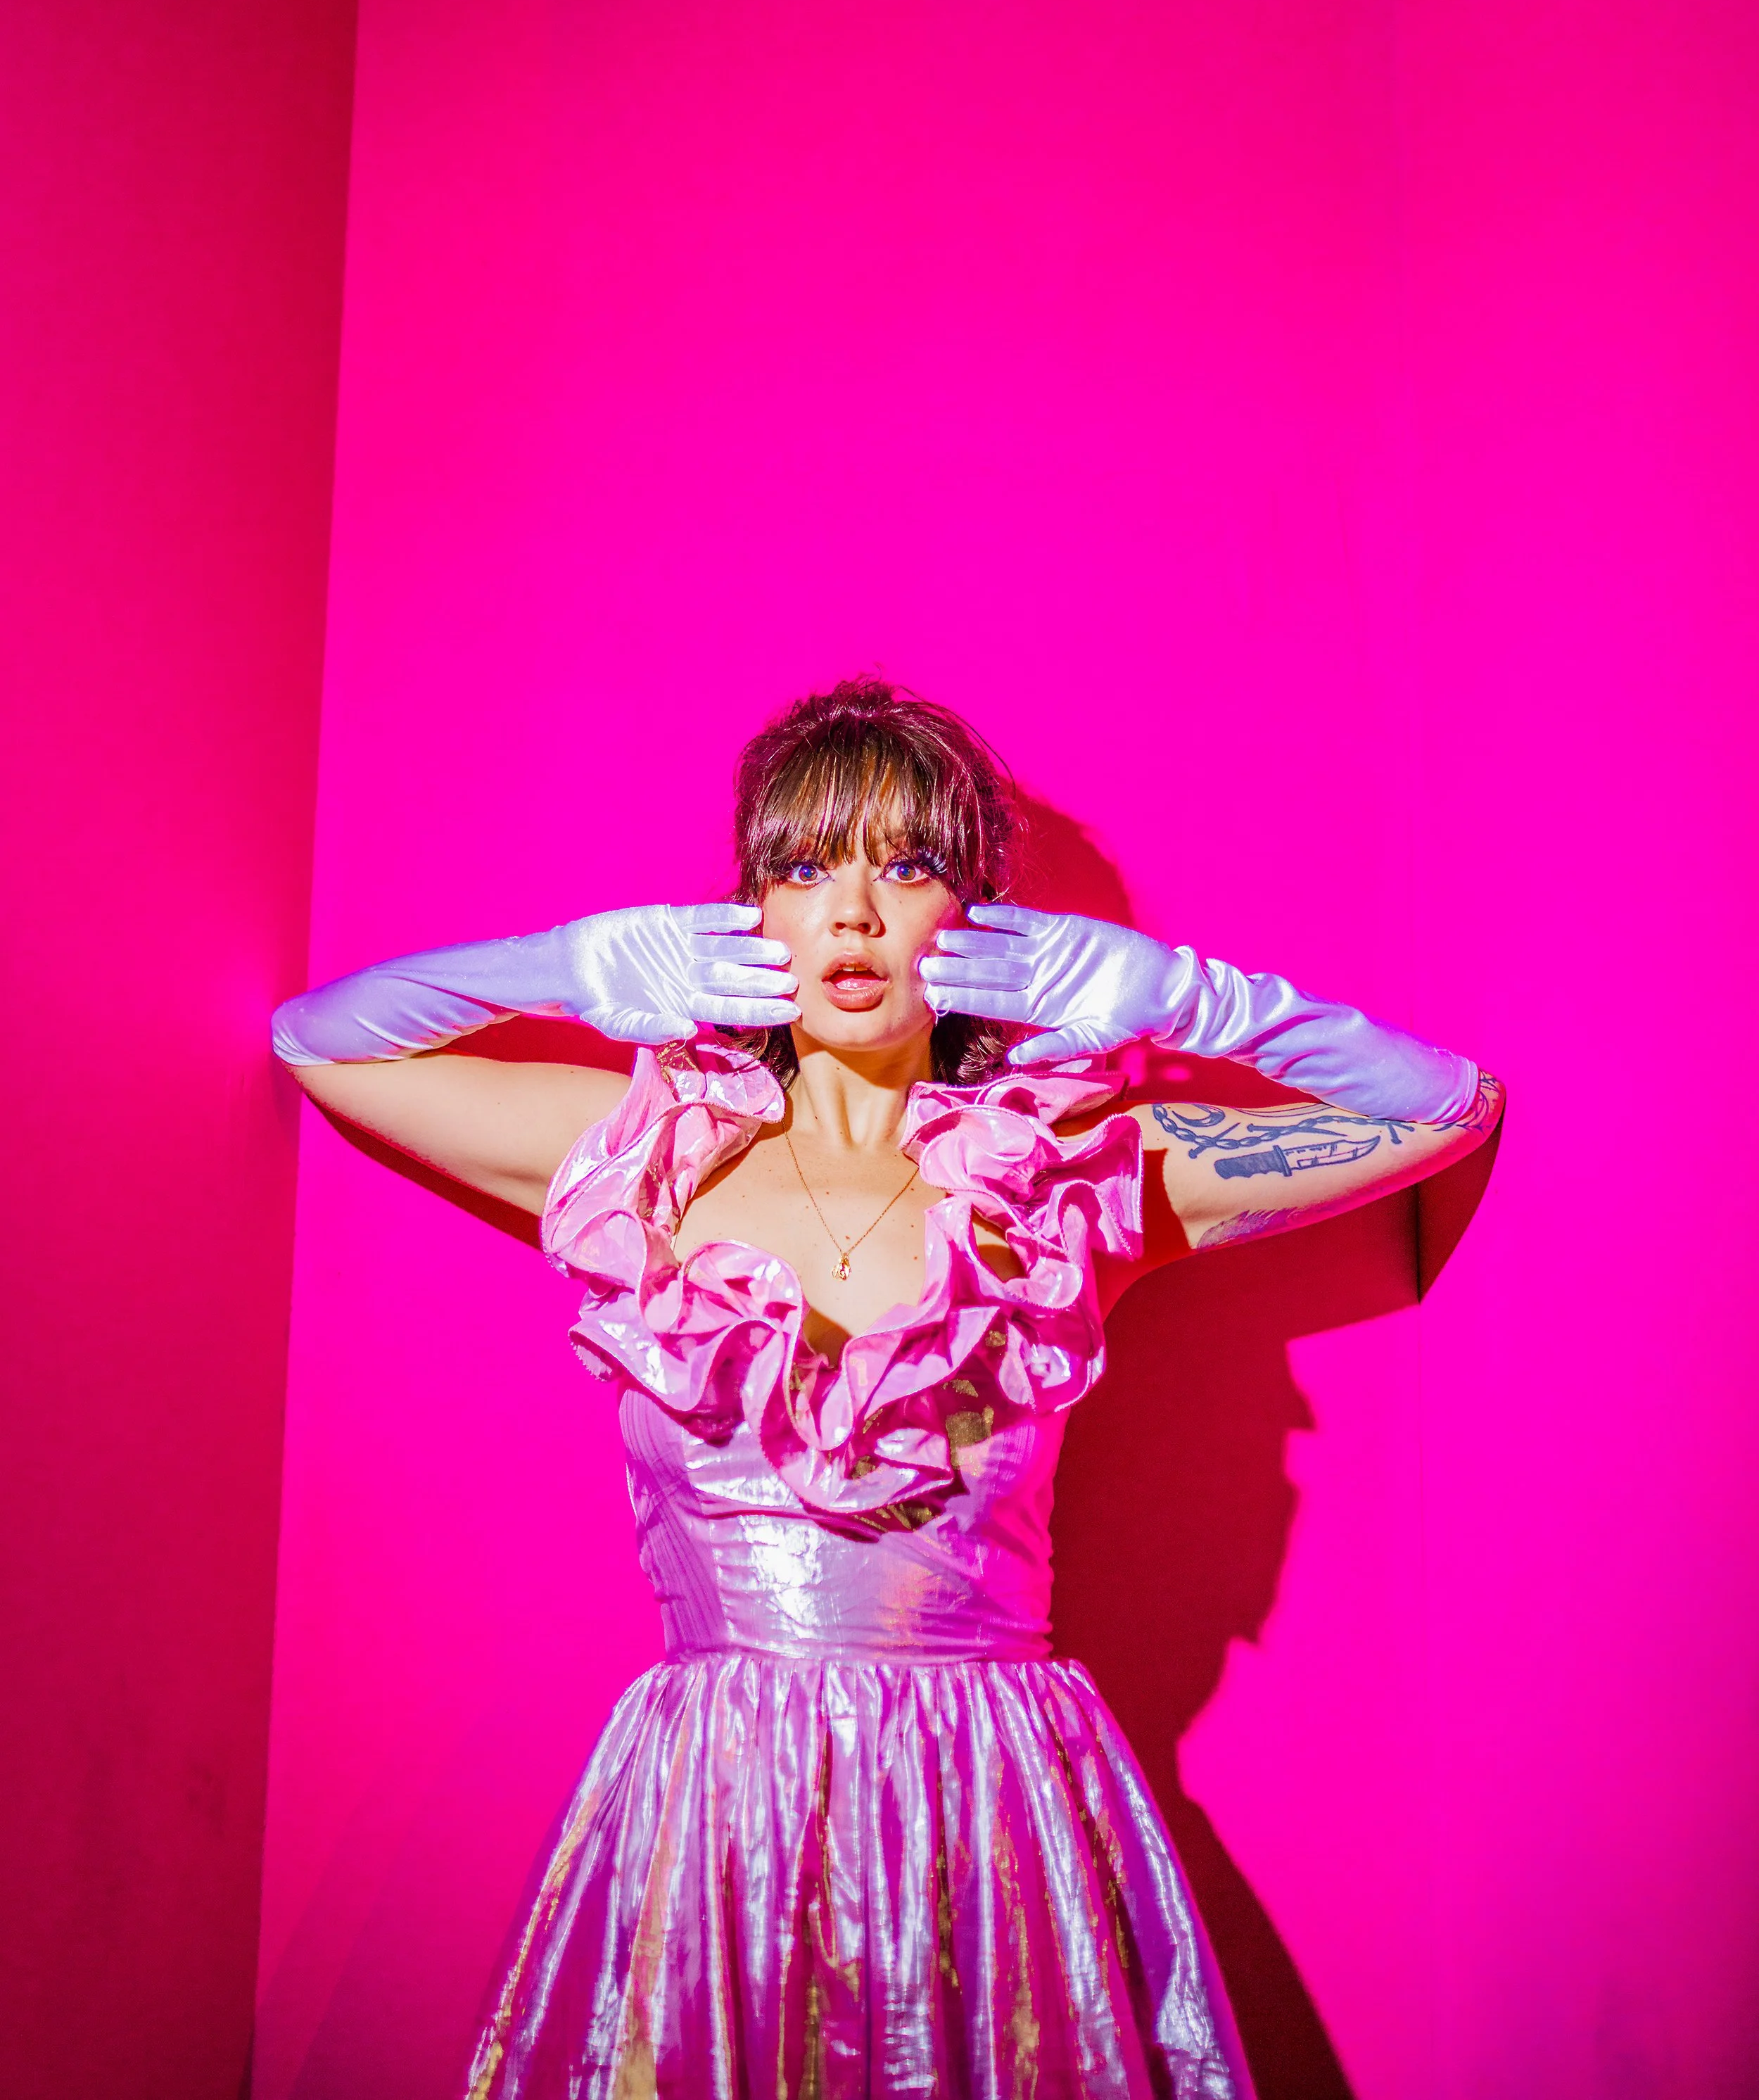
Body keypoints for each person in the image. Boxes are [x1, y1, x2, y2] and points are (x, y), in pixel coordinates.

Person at [272, 677, 1502, 2100]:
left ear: (978, 916)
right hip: (711, 1810)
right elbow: (317, 1037)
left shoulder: (1062, 1176)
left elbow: (1444, 1106)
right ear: (746, 913)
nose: (851, 913)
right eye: (804, 867)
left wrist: (1185, 995)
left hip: (992, 1814)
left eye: (906, 865)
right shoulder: (635, 1151)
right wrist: (559, 967)